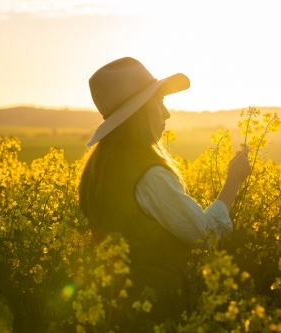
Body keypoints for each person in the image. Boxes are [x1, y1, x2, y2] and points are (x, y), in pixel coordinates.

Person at [79, 57, 251, 328]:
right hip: (159, 313)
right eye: (158, 103)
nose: (167, 113)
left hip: (117, 309)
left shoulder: (97, 169)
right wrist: (234, 181)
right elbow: (205, 236)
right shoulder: (150, 176)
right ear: (139, 112)